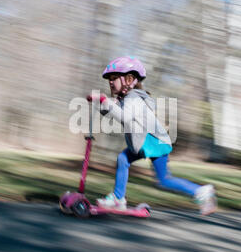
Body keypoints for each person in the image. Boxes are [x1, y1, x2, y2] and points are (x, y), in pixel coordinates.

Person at [87, 56, 217, 215]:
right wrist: (102, 104)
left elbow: (125, 118)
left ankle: (202, 191)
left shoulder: (133, 98)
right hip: (143, 142)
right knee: (125, 160)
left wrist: (105, 102)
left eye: (114, 78)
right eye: (110, 79)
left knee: (164, 180)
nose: (111, 82)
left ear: (130, 79)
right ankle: (118, 198)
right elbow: (113, 112)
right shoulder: (124, 99)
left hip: (154, 141)